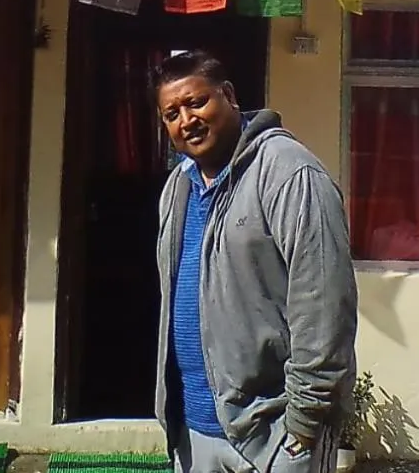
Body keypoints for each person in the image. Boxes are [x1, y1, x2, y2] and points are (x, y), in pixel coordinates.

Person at [152, 50, 358, 473]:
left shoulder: (288, 172)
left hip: (275, 433)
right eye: (171, 113)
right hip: (195, 431)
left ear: (228, 95)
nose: (186, 120)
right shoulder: (178, 185)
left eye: (196, 102)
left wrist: (303, 426)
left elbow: (324, 305)